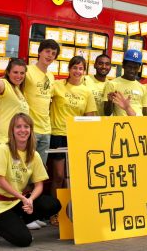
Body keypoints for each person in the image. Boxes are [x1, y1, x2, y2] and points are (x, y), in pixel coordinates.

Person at [0, 113, 61, 247]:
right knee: (24, 240)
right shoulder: (3, 149)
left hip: (16, 201)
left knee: (52, 204)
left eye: (26, 126)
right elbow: (0, 181)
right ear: (12, 130)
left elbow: (39, 185)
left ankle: (14, 223)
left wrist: (30, 200)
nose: (23, 130)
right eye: (18, 127)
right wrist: (22, 198)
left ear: (31, 130)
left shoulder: (33, 154)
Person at [49, 56, 97, 202]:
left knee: (74, 176)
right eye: (74, 67)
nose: (77, 71)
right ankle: (55, 211)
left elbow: (90, 117)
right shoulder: (57, 85)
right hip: (58, 134)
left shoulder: (87, 92)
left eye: (81, 68)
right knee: (58, 175)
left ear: (84, 71)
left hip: (76, 137)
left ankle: (70, 210)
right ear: (69, 69)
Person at [0, 58, 29, 163]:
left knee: (15, 179)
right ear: (8, 72)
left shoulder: (19, 91)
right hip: (2, 141)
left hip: (17, 142)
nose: (19, 76)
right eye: (15, 72)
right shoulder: (4, 84)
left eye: (22, 73)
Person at [25, 39, 60, 166]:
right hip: (29, 128)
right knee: (26, 169)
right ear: (39, 52)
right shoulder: (27, 70)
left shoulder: (51, 76)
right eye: (47, 51)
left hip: (46, 130)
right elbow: (9, 89)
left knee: (40, 170)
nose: (50, 55)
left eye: (53, 53)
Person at [103, 49, 147, 116]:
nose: (132, 70)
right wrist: (110, 101)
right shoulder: (112, 84)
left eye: (135, 67)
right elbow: (107, 113)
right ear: (123, 66)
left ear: (139, 68)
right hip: (121, 125)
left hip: (139, 125)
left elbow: (145, 113)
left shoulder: (142, 87)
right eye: (129, 67)